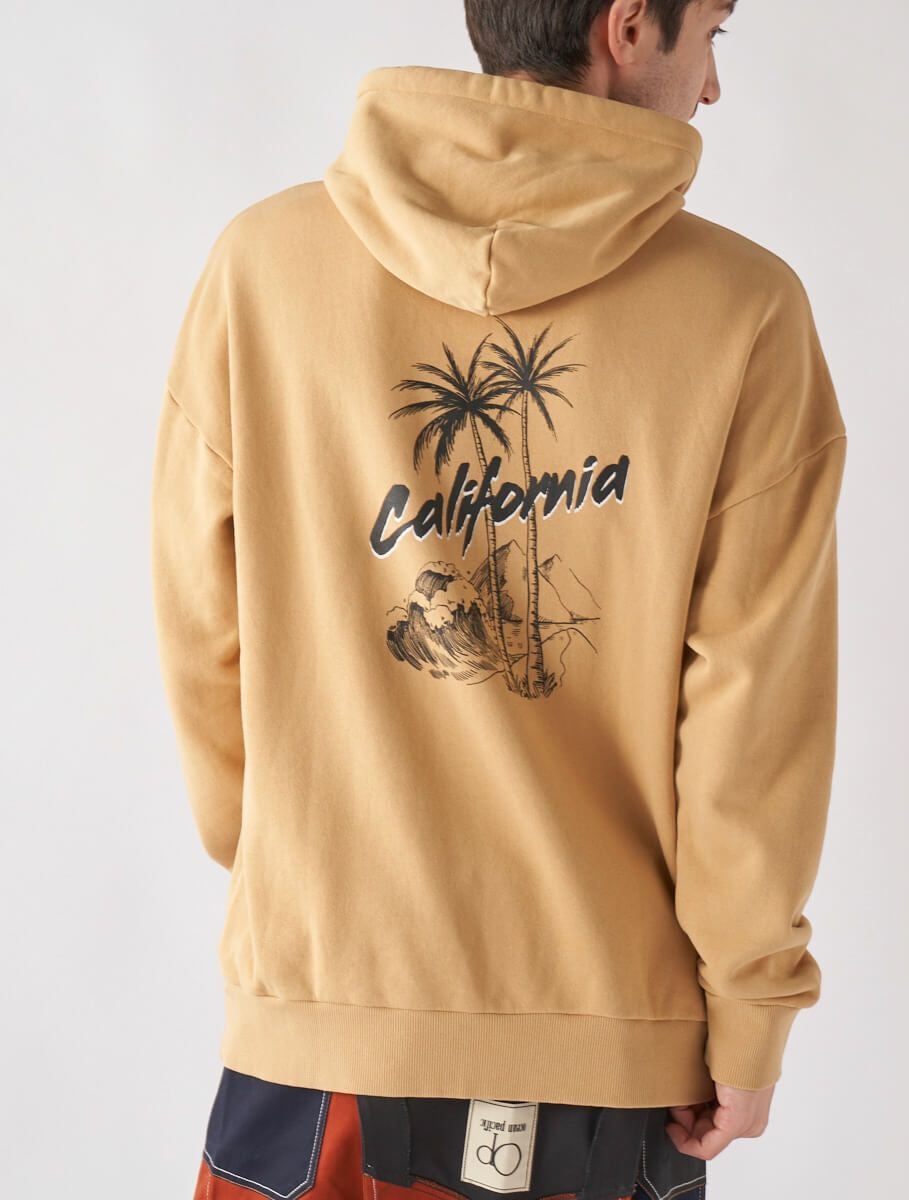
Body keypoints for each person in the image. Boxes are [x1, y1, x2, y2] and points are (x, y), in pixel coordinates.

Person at [150, 1, 848, 1197]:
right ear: (627, 28)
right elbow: (752, 712)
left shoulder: (262, 267)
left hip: (319, 1037)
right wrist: (748, 1009)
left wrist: (300, 876)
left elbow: (201, 634)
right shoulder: (745, 312)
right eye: (711, 36)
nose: (712, 87)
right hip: (604, 1061)